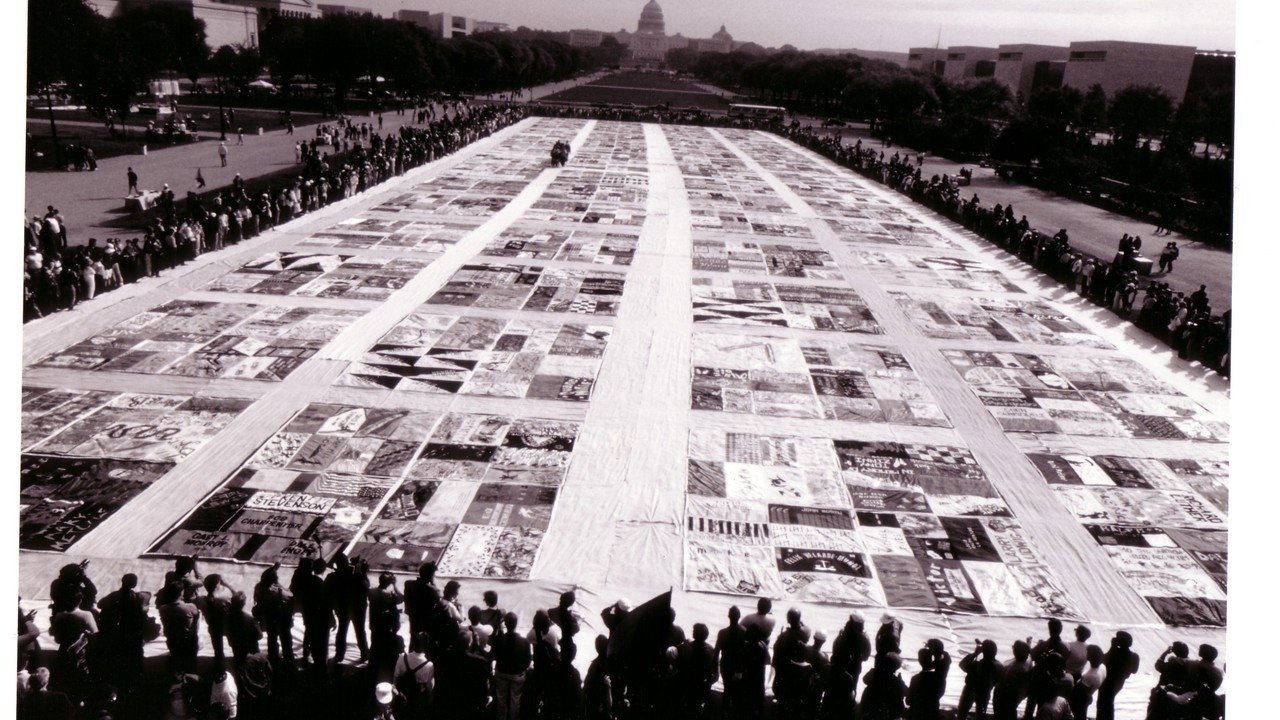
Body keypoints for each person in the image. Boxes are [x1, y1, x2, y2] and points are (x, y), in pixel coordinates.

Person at [493, 612, 531, 720]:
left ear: (505, 624)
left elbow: (495, 655)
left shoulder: (499, 639)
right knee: (515, 699)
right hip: (517, 675)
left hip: (502, 673)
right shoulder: (524, 641)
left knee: (501, 698)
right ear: (516, 624)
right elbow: (528, 662)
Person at [676, 623, 718, 718]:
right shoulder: (710, 649)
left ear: (695, 634)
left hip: (687, 683)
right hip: (701, 685)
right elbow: (714, 673)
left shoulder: (686, 647)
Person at [1095, 632, 1139, 720]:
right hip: (1120, 681)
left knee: (1103, 703)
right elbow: (1134, 671)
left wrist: (1112, 647)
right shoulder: (1134, 656)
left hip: (1107, 681)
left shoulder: (1115, 653)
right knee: (1109, 702)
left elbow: (1103, 661)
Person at [194, 574, 233, 667]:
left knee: (218, 650)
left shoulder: (200, 600)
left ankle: (219, 666)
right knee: (235, 646)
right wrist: (226, 584)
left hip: (213, 626)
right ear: (217, 585)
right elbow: (237, 595)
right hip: (227, 625)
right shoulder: (224, 598)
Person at [957, 640, 1001, 720]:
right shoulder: (998, 666)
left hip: (970, 690)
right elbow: (998, 681)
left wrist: (975, 653)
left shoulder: (977, 665)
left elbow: (962, 664)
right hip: (984, 692)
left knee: (962, 712)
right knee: (980, 715)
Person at [717, 605, 748, 717]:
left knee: (727, 688)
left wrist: (714, 667)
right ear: (739, 617)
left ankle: (725, 710)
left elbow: (716, 651)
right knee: (737, 691)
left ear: (728, 616)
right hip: (738, 667)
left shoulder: (722, 633)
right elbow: (746, 654)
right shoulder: (744, 632)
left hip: (725, 665)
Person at [860, 651, 908, 720]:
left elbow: (865, 679)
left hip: (870, 706)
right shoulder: (896, 680)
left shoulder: (874, 673)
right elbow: (906, 692)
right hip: (887, 711)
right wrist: (901, 681)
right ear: (895, 668)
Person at [994, 640, 1034, 720]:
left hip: (1003, 695)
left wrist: (1028, 643)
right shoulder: (1017, 668)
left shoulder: (1016, 662)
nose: (1027, 655)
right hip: (1005, 698)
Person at [1071, 645, 1105, 720]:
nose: (1086, 654)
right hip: (1087, 696)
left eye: (1088, 653)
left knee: (1079, 716)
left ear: (1091, 657)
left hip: (1081, 698)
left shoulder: (1090, 676)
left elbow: (1080, 690)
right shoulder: (1102, 667)